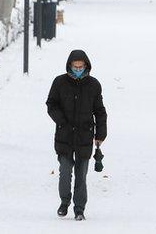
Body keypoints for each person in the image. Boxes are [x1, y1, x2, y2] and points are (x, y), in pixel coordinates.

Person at [46, 49, 107, 221]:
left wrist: (100, 134)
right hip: (64, 136)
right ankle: (64, 202)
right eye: (75, 66)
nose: (78, 69)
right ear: (70, 66)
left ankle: (79, 209)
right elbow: (51, 104)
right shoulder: (59, 82)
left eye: (81, 66)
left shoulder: (94, 85)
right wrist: (61, 121)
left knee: (81, 175)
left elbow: (100, 111)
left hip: (84, 136)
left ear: (86, 66)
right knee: (65, 172)